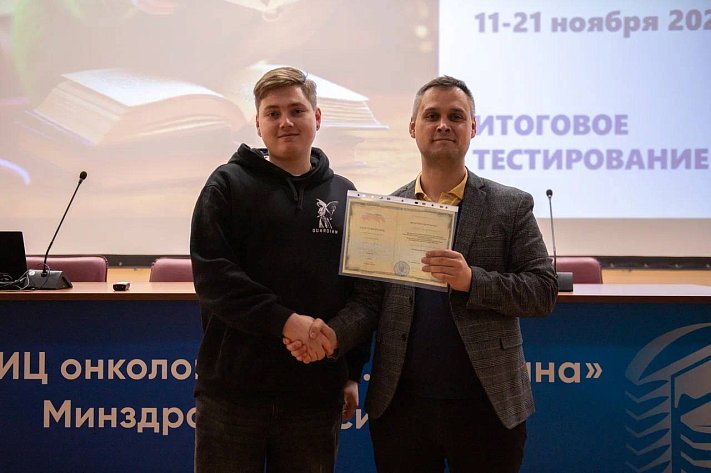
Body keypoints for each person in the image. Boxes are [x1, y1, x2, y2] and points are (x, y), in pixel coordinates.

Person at [288, 75, 559, 472]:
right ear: (413, 128)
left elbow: (543, 291)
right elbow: (367, 304)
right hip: (402, 408)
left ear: (473, 127)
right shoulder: (384, 211)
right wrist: (332, 338)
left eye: (456, 116)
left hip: (488, 406)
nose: (443, 125)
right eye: (432, 116)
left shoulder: (510, 206)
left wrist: (472, 281)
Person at [190, 66, 369, 473]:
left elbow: (358, 290)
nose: (285, 121)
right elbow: (214, 278)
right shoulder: (226, 185)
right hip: (233, 395)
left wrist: (351, 372)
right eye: (273, 113)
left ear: (317, 117)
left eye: (296, 110)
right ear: (258, 124)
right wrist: (288, 322)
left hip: (315, 396)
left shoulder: (346, 194)